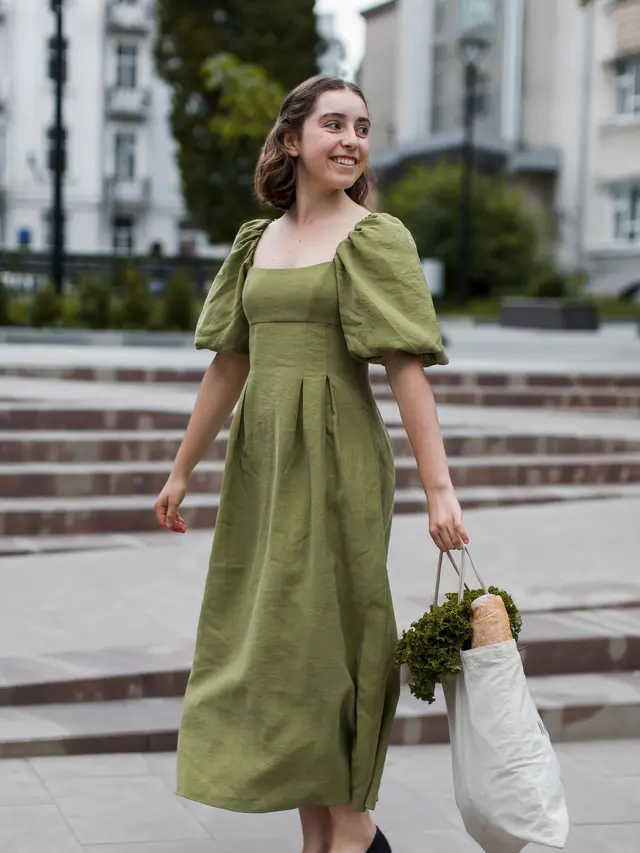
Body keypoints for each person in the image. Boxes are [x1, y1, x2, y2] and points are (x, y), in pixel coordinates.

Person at [153, 75, 469, 853]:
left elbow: (406, 369)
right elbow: (229, 364)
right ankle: (323, 839)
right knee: (279, 644)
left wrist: (440, 491)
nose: (352, 139)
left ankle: (355, 830)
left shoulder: (374, 236)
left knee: (334, 642)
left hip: (337, 458)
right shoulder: (255, 242)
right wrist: (181, 467)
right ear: (292, 139)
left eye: (362, 127)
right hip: (262, 463)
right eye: (334, 123)